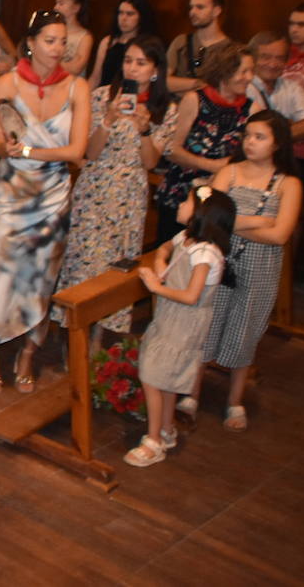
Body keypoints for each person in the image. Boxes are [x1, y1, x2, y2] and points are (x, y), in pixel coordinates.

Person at [0, 10, 91, 394]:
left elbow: (76, 151)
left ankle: (27, 352)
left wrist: (28, 149)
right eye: (50, 40)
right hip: (10, 194)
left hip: (53, 197)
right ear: (30, 42)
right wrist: (8, 147)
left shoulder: (79, 87)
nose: (58, 49)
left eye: (63, 42)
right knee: (0, 276)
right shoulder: (6, 82)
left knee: (42, 279)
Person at [188, 111, 302, 432]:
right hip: (220, 261)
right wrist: (259, 221)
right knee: (207, 323)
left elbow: (280, 235)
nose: (250, 142)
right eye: (248, 135)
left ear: (278, 143)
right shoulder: (230, 173)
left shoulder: (288, 183)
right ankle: (191, 394)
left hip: (261, 267)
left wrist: (232, 224)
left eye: (259, 137)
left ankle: (234, 401)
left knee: (246, 328)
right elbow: (208, 219)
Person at [55, 35, 176, 334]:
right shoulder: (101, 96)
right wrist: (108, 120)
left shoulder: (166, 109)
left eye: (141, 63)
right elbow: (90, 152)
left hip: (130, 194)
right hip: (95, 185)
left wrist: (145, 129)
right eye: (128, 61)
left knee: (116, 267)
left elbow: (149, 163)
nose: (133, 69)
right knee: (84, 261)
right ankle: (74, 334)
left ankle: (97, 339)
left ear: (155, 70)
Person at [124, 186, 234, 468]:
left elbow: (191, 296)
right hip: (170, 318)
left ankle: (154, 442)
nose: (180, 204)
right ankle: (166, 429)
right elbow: (164, 247)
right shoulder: (186, 238)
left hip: (185, 322)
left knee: (152, 377)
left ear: (201, 213)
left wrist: (155, 286)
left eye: (186, 201)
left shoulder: (206, 254)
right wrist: (162, 264)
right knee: (166, 377)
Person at [153, 43, 258, 243]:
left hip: (219, 197)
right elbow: (171, 149)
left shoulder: (251, 109)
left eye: (252, 71)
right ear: (224, 71)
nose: (250, 77)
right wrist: (211, 166)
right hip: (182, 192)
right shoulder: (195, 100)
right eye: (243, 71)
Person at [167, 0, 235, 95]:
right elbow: (162, 81)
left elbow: (229, 90)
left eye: (200, 7)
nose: (192, 12)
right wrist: (197, 84)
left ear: (216, 11)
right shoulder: (181, 42)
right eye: (191, 7)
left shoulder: (231, 50)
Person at [245, 30, 304, 140]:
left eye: (279, 58)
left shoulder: (292, 88)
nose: (273, 64)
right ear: (251, 59)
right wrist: (290, 127)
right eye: (265, 57)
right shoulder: (243, 88)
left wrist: (269, 138)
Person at [92, 0, 158, 90]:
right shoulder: (108, 41)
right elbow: (95, 77)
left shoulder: (148, 44)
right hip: (105, 94)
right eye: (120, 13)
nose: (123, 18)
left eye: (130, 14)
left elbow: (154, 79)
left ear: (141, 17)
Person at [54, 0, 93, 78]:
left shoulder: (85, 36)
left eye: (61, 3)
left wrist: (48, 61)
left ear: (76, 8)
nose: (56, 7)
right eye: (56, 3)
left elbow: (76, 68)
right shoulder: (52, 31)